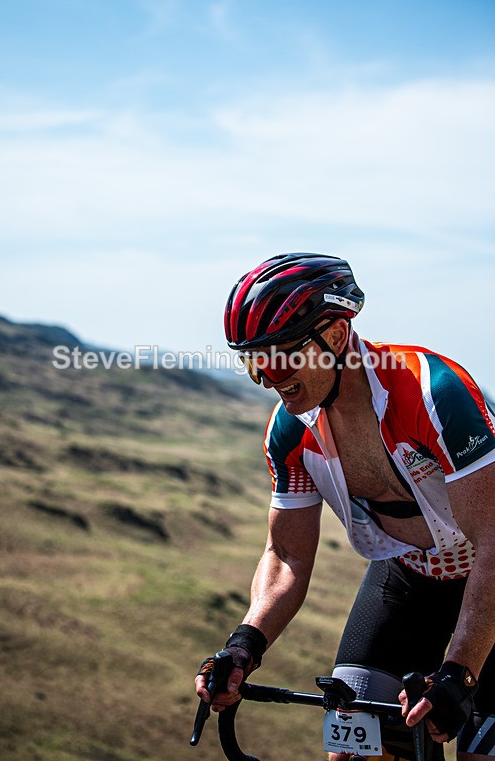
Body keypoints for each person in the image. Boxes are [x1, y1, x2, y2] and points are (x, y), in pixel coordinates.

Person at [195, 253, 495, 760]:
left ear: (335, 337)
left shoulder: (432, 393)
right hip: (408, 575)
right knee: (354, 750)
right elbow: (287, 554)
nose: (268, 377)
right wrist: (244, 645)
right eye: (253, 361)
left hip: (489, 577)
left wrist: (461, 669)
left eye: (282, 356)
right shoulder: (289, 431)